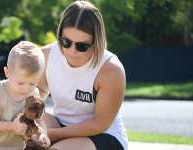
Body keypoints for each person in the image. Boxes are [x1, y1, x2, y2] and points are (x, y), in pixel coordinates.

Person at [37, 1, 128, 150]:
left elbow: (99, 123)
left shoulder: (111, 70)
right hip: (59, 125)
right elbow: (38, 92)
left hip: (101, 134)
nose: (72, 50)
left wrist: (51, 134)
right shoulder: (45, 56)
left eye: (82, 46)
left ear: (96, 42)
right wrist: (30, 124)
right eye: (66, 42)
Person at [0, 41, 47, 150]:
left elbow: (39, 120)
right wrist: (11, 126)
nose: (26, 88)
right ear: (7, 72)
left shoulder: (34, 94)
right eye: (20, 83)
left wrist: (42, 134)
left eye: (32, 83)